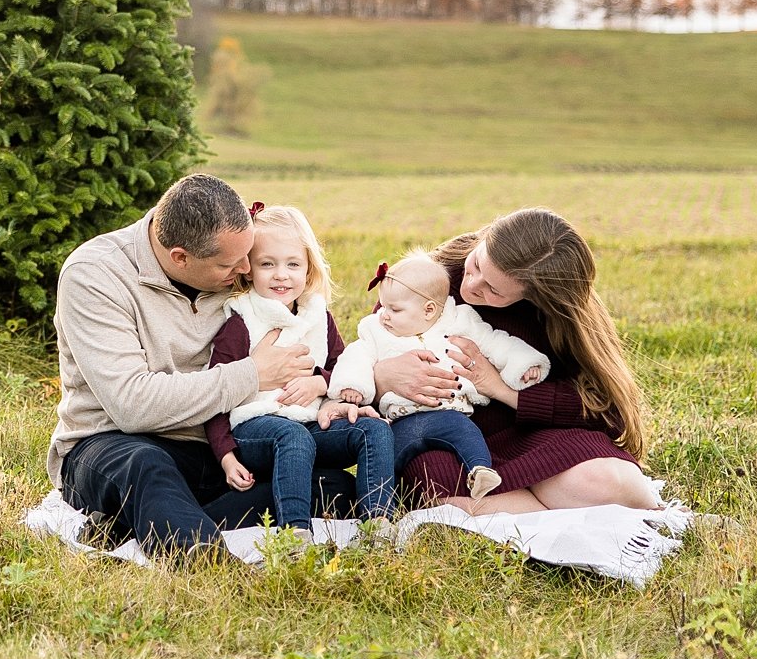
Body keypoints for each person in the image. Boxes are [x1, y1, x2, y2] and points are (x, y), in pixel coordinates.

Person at [48, 173, 316, 556]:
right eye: (231, 263)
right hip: (115, 445)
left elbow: (312, 336)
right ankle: (202, 556)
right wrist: (252, 373)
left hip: (220, 445)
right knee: (147, 467)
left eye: (249, 254)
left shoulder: (238, 269)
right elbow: (133, 406)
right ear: (180, 257)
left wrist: (373, 375)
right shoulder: (96, 275)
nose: (246, 270)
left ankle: (132, 522)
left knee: (325, 478)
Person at [370, 207, 659, 511]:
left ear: (535, 295)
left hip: (537, 434)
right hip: (449, 437)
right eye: (477, 264)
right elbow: (367, 353)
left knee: (605, 483)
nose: (472, 286)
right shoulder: (427, 278)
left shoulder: (561, 315)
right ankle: (552, 510)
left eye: (493, 290)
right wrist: (383, 377)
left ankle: (534, 508)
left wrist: (500, 388)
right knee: (436, 484)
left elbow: (602, 410)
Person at [202, 203, 398, 524]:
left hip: (309, 424)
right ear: (248, 268)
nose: (282, 274)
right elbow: (215, 395)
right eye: (268, 264)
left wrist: (321, 383)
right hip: (254, 429)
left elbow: (345, 365)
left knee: (372, 430)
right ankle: (295, 532)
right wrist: (225, 455)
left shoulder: (318, 316)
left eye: (293, 264)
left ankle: (379, 521)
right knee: (292, 436)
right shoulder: (242, 320)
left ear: (308, 269)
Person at [329, 249, 549, 504]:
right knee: (383, 456)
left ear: (429, 309)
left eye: (394, 309)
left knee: (466, 433)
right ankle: (378, 504)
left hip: (449, 414)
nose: (384, 314)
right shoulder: (378, 330)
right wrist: (352, 385)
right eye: (384, 306)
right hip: (401, 419)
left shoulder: (459, 322)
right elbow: (357, 355)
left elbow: (496, 343)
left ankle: (479, 471)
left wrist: (524, 364)